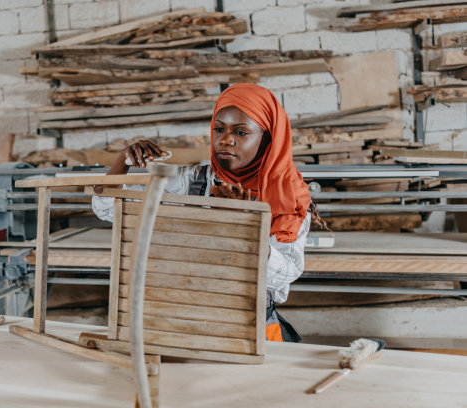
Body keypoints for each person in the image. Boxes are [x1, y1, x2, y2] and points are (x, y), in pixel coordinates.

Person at [93, 83, 324, 342]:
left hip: (249, 329)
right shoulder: (191, 180)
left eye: (241, 131)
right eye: (218, 128)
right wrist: (122, 162)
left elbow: (285, 273)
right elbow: (108, 208)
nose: (226, 139)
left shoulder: (288, 198)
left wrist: (246, 228)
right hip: (183, 321)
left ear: (266, 139)